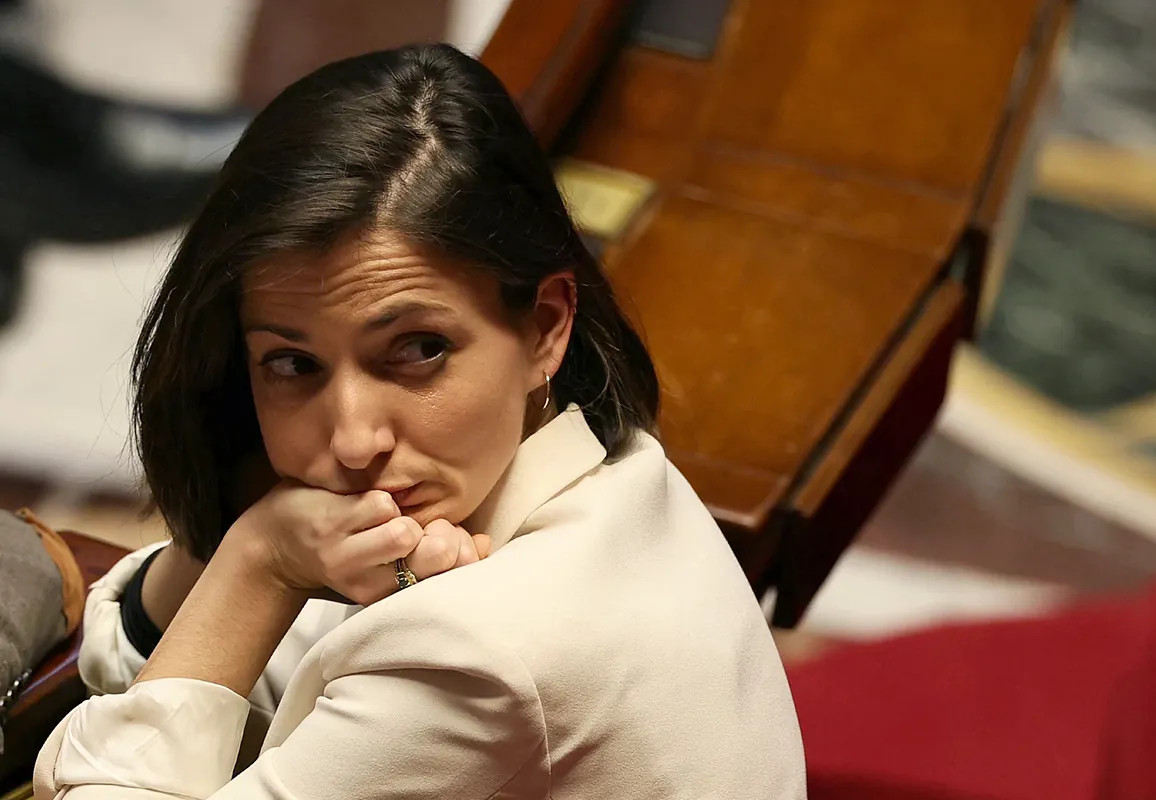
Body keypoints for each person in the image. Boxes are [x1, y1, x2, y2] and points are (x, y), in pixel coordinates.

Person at [32, 44, 806, 799]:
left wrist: (258, 562)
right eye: (293, 363)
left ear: (545, 327)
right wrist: (242, 539)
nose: (353, 440)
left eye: (418, 350)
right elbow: (149, 664)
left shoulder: (480, 653)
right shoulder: (601, 466)